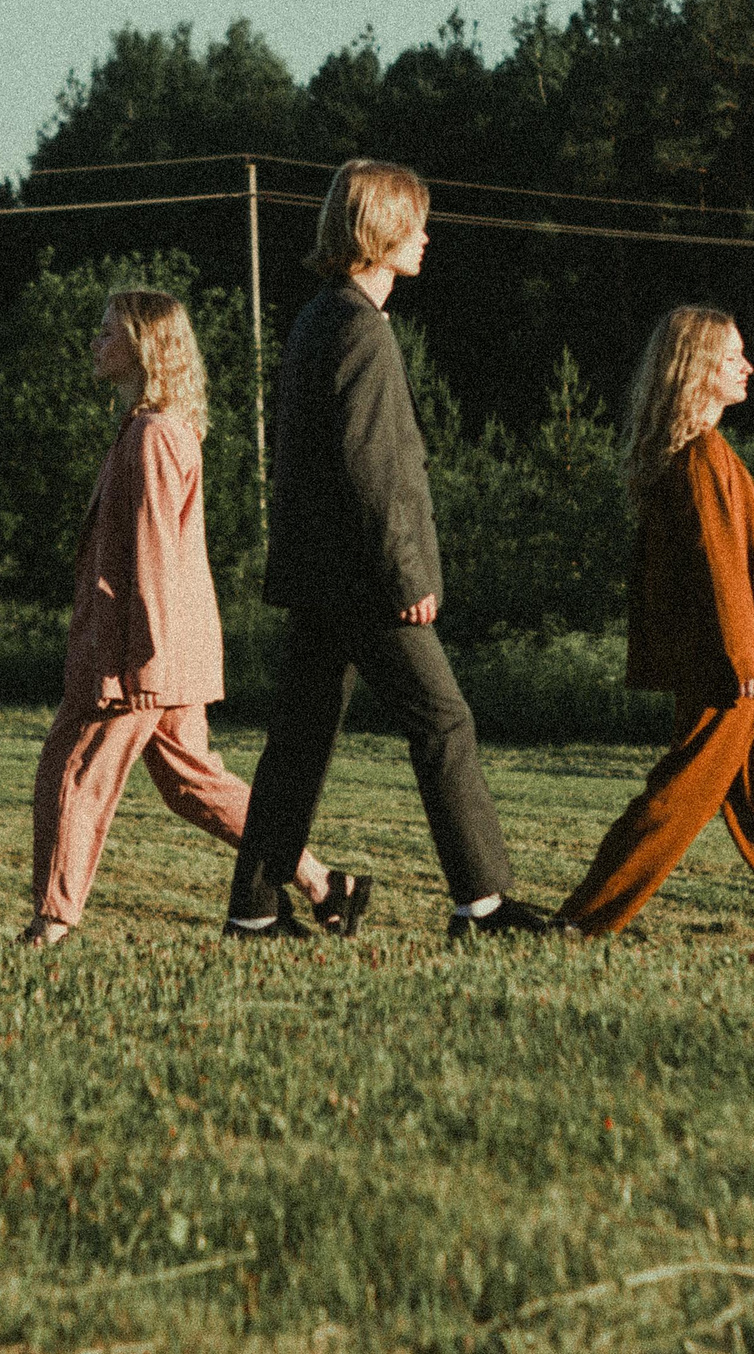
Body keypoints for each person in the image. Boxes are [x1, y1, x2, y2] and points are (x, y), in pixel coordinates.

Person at [224, 159, 558, 940]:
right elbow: (374, 470)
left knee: (296, 748)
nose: (426, 237)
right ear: (379, 232)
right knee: (444, 722)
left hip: (318, 580)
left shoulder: (318, 319)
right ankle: (482, 904)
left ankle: (252, 911)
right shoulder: (364, 333)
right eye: (414, 224)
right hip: (367, 584)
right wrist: (408, 573)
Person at [20, 290, 353, 947]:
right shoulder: (148, 428)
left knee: (73, 772)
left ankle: (49, 926)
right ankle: (322, 882)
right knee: (193, 785)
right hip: (157, 650)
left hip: (135, 655)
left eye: (107, 331)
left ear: (144, 346)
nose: (95, 342)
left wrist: (145, 659)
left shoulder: (153, 435)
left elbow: (156, 557)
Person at [556, 307, 754, 948]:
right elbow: (716, 569)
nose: (748, 366)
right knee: (682, 797)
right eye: (734, 356)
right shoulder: (703, 457)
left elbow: (722, 556)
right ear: (698, 370)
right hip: (739, 668)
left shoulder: (702, 456)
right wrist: (748, 664)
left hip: (751, 659)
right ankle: (583, 918)